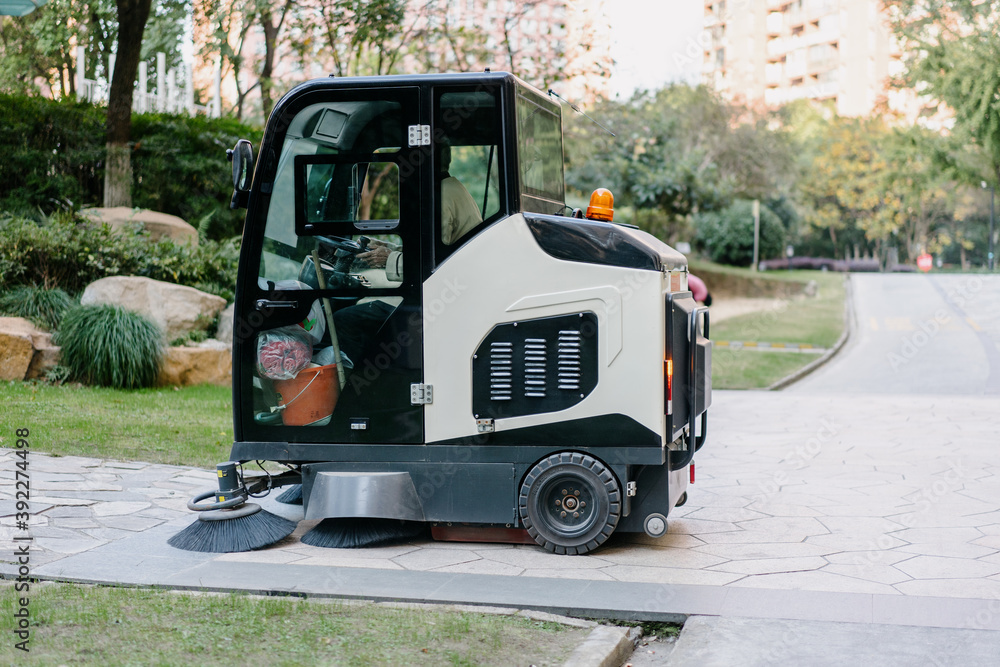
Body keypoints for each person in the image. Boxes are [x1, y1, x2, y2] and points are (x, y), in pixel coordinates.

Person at [355, 141, 482, 274]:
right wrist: (389, 247)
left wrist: (389, 257)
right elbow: (428, 250)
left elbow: (431, 262)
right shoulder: (451, 187)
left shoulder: (440, 197)